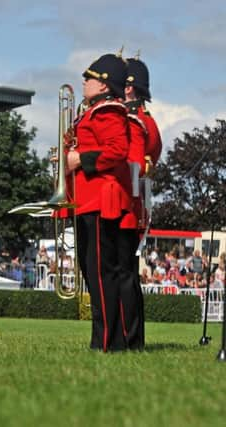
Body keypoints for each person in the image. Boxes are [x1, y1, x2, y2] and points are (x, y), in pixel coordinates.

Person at [64, 53, 132, 351]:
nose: (84, 81)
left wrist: (81, 158)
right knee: (94, 273)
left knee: (102, 274)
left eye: (89, 77)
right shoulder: (93, 112)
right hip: (87, 200)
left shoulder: (108, 112)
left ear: (104, 86)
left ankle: (106, 342)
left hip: (101, 201)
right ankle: (105, 340)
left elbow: (118, 150)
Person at [118, 55, 163, 350]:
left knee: (125, 272)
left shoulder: (142, 121)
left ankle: (131, 337)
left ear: (130, 88)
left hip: (130, 201)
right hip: (124, 197)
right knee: (122, 271)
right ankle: (126, 335)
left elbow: (142, 166)